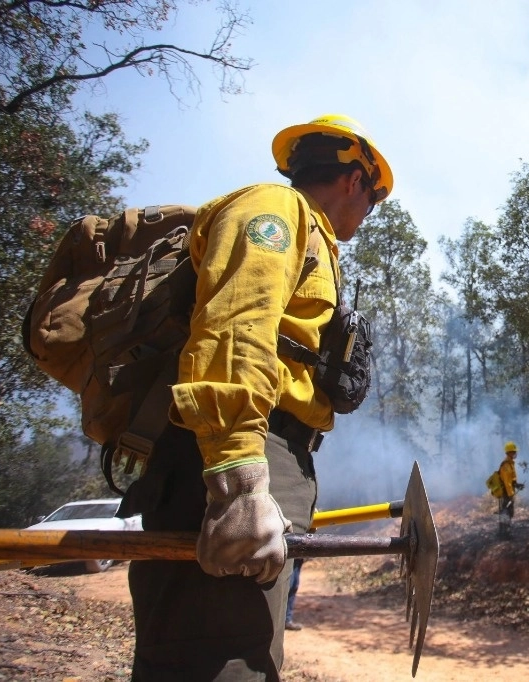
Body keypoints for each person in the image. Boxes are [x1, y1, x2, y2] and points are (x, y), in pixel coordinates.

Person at [118, 113, 393, 680]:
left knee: (241, 654)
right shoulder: (274, 208)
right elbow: (234, 329)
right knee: (221, 665)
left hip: (267, 456)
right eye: (376, 195)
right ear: (353, 179)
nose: (371, 209)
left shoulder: (311, 234)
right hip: (238, 457)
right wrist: (239, 481)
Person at [497, 441, 524, 539]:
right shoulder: (506, 465)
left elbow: (511, 480)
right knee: (506, 512)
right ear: (508, 453)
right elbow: (507, 483)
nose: (515, 453)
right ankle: (505, 533)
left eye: (514, 451)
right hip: (506, 493)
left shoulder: (510, 463)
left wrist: (517, 485)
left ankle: (504, 532)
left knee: (507, 511)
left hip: (507, 492)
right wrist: (510, 495)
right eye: (513, 451)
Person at [285, 558, 306, 631]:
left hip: (298, 556)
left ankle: (287, 620)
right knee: (288, 586)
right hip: (289, 554)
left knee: (294, 585)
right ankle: (280, 620)